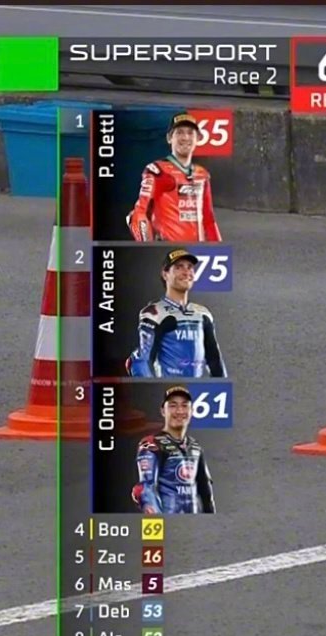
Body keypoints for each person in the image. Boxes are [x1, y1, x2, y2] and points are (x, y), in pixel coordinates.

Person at [126, 248, 227, 378]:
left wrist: (222, 386)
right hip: (167, 387)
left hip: (195, 389)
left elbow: (215, 360)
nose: (186, 272)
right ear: (165, 274)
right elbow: (142, 362)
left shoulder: (203, 313)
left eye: (190, 267)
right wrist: (153, 388)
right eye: (179, 267)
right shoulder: (155, 313)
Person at [127, 112, 222, 242]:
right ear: (169, 138)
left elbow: (209, 220)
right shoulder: (157, 170)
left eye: (190, 133)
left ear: (198, 139)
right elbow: (139, 213)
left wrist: (219, 249)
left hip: (197, 251)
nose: (185, 137)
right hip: (168, 250)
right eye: (179, 132)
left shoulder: (202, 174)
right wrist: (148, 246)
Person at [133, 386, 215, 514]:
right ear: (163, 411)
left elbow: (206, 491)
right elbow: (145, 489)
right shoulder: (152, 444)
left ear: (192, 411)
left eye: (184, 405)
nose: (179, 411)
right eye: (173, 405)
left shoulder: (195, 446)